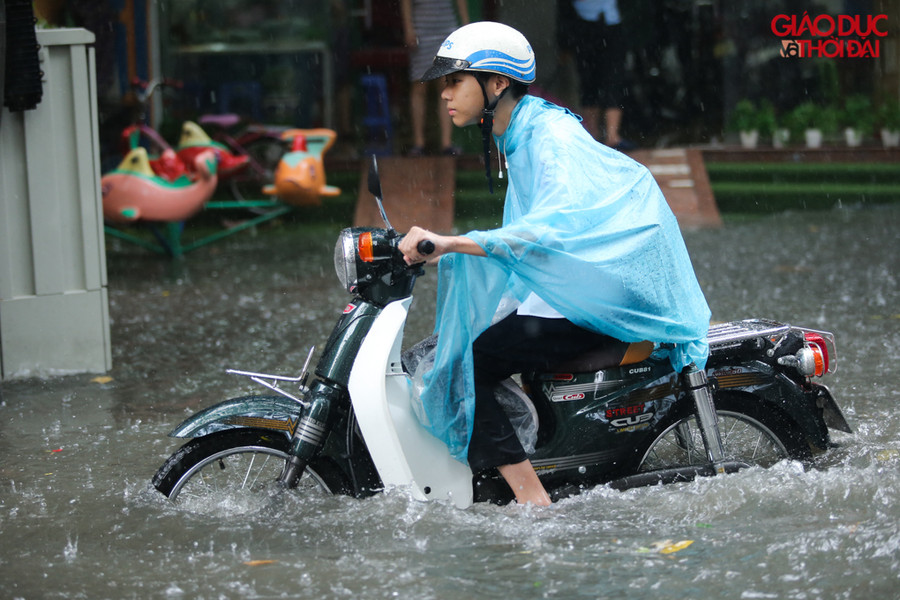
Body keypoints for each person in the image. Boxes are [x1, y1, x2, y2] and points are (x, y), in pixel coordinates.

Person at [398, 22, 710, 506]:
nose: (446, 95)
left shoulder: (552, 137)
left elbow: (550, 228)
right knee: (460, 342)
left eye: (455, 81)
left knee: (467, 363)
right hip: (572, 286)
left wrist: (452, 243)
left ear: (497, 83)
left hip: (595, 297)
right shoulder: (519, 131)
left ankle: (533, 502)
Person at [400, 0, 469, 156]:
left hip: (446, 30)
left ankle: (446, 143)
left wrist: (465, 27)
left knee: (446, 86)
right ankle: (419, 143)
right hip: (421, 31)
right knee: (419, 85)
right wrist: (408, 29)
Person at [561, 0, 632, 150]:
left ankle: (612, 136)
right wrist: (564, 42)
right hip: (583, 27)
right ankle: (592, 135)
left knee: (615, 79)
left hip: (613, 26)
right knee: (589, 82)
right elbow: (563, 9)